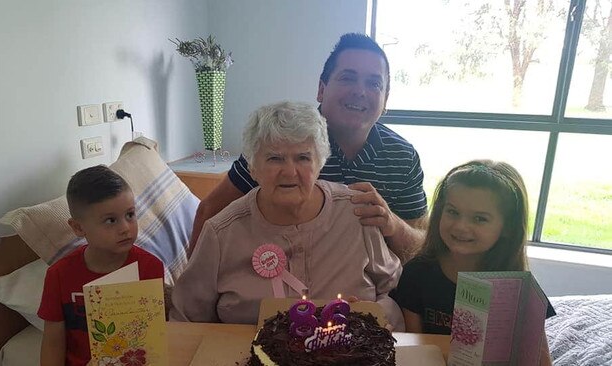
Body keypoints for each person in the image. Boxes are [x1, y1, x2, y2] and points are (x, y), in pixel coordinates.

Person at [189, 33, 427, 261]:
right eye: (348, 78)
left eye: (374, 83)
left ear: (385, 99)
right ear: (321, 89)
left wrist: (392, 224)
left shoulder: (402, 156)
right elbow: (209, 210)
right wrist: (195, 284)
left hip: (369, 291)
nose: (360, 91)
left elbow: (421, 246)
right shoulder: (281, 139)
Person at [171, 101, 404, 329]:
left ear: (320, 163)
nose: (290, 172)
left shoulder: (356, 213)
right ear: (252, 167)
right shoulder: (221, 233)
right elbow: (185, 321)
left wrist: (373, 315)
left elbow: (394, 291)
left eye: (303, 158)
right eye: (275, 158)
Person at [391, 160, 555, 364]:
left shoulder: (519, 289)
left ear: (508, 228)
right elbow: (412, 349)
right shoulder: (416, 273)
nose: (461, 226)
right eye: (452, 212)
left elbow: (540, 358)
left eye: (479, 219)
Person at [38, 165, 164, 366]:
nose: (125, 228)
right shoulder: (59, 275)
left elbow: (153, 335)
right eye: (110, 220)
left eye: (130, 215)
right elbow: (53, 342)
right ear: (78, 228)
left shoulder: (150, 267)